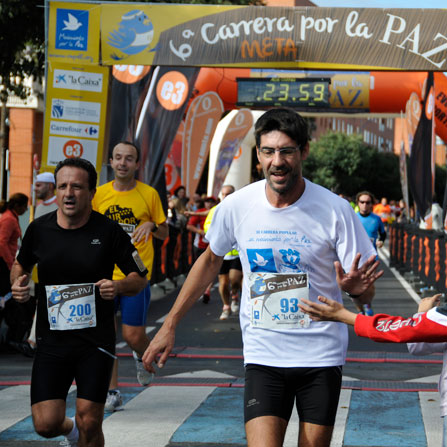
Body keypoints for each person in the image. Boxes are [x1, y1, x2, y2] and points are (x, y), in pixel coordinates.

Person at [142, 108, 382, 447]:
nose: (277, 161)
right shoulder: (238, 205)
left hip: (320, 356)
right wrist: (170, 324)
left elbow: (365, 293)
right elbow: (210, 260)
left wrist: (359, 292)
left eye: (286, 151)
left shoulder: (335, 210)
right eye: (268, 151)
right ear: (258, 155)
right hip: (263, 354)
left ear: (304, 152)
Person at [10, 157, 148, 447]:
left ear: (91, 193)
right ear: (56, 191)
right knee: (46, 424)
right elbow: (20, 266)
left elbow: (140, 278)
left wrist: (119, 285)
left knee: (90, 421)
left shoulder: (108, 232)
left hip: (94, 341)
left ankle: (82, 432)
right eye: (62, 186)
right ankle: (70, 432)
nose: (69, 193)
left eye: (77, 186)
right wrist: (18, 283)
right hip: (52, 341)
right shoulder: (39, 229)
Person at [92, 141, 168, 412]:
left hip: (135, 277)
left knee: (134, 335)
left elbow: (164, 232)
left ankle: (140, 354)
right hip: (104, 277)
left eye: (129, 158)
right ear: (110, 162)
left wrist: (151, 225)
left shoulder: (149, 194)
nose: (123, 163)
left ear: (138, 164)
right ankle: (112, 391)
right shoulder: (98, 194)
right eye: (118, 158)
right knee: (105, 336)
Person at [203, 185, 243, 320]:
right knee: (223, 282)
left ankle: (235, 295)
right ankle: (226, 306)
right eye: (224, 194)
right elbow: (207, 227)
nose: (226, 197)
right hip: (222, 254)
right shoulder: (215, 210)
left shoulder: (240, 210)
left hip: (237, 253)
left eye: (228, 194)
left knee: (235, 279)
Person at [0, 193, 30, 349]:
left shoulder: (11, 217)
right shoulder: (9, 219)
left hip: (6, 263)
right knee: (9, 300)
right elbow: (2, 242)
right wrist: (10, 263)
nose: (26, 209)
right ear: (18, 206)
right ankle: (11, 339)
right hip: (4, 265)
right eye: (25, 206)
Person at [355, 191, 386, 316]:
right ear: (358, 203)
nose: (364, 205)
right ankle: (360, 311)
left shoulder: (376, 219)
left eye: (367, 202)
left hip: (370, 258)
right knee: (354, 288)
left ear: (371, 204)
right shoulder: (353, 217)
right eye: (362, 202)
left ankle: (367, 305)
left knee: (369, 285)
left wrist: (381, 241)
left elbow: (383, 234)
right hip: (354, 258)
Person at [186, 196, 217, 304]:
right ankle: (198, 289)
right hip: (200, 245)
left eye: (211, 201)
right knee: (200, 269)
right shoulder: (200, 212)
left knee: (212, 268)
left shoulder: (218, 211)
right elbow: (189, 226)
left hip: (214, 246)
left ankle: (207, 289)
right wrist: (200, 231)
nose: (209, 203)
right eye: (207, 202)